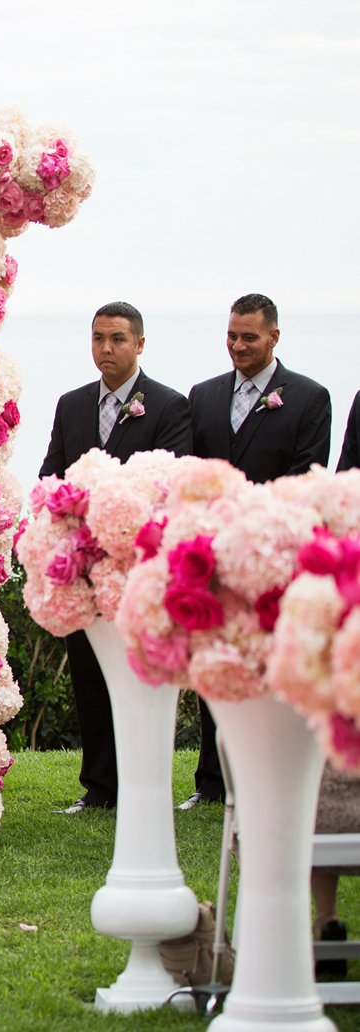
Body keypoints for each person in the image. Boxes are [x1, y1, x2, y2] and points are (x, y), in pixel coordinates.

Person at [39, 301, 191, 814]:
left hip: (141, 570)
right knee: (88, 674)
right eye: (99, 338)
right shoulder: (71, 404)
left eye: (118, 339)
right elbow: (51, 477)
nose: (107, 348)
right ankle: (99, 789)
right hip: (83, 571)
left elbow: (170, 485)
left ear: (140, 344)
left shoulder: (170, 406)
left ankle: (144, 788)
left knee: (139, 679)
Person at [186, 293, 331, 809]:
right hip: (213, 559)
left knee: (268, 670)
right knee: (213, 665)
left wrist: (254, 527)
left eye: (249, 336)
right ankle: (211, 783)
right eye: (231, 335)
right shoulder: (201, 396)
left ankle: (269, 778)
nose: (238, 345)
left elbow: (306, 479)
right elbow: (191, 476)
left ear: (274, 337)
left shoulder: (311, 398)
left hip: (275, 559)